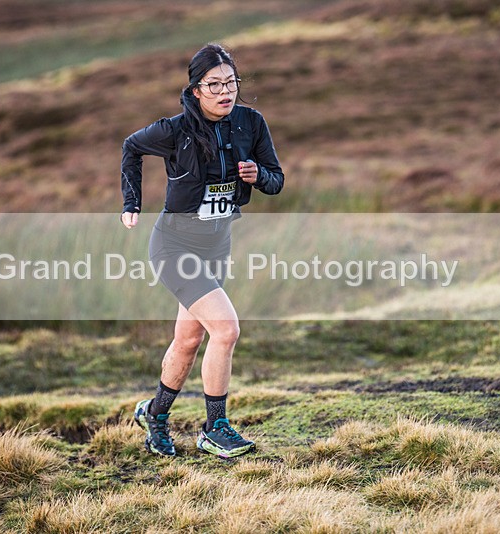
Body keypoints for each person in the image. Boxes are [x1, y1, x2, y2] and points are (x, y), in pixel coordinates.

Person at [120, 43, 283, 458]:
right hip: (174, 246)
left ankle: (154, 415)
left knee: (189, 339)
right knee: (226, 329)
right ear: (196, 89)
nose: (225, 91)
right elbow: (131, 147)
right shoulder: (175, 130)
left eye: (231, 82)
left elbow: (276, 179)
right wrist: (131, 201)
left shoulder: (251, 122)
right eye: (215, 84)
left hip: (216, 247)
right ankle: (216, 428)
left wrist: (257, 174)